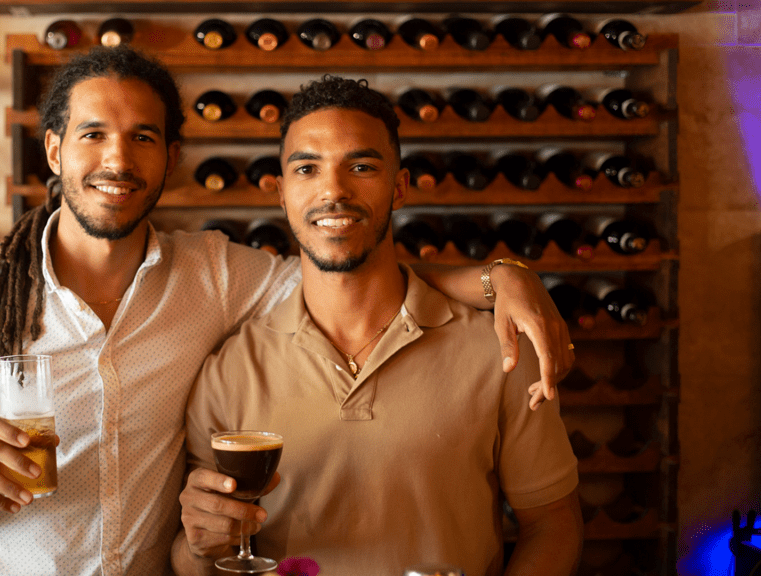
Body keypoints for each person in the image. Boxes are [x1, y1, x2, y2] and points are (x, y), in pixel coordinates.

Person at [0, 47, 573, 575]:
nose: (116, 159)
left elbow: (343, 261)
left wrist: (501, 279)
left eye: (143, 137)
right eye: (92, 135)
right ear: (53, 149)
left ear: (171, 158)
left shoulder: (211, 275)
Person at [173, 76, 583, 576]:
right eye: (307, 168)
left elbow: (553, 524)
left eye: (361, 166)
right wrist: (198, 548)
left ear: (400, 187)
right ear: (281, 193)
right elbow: (195, 558)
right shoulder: (228, 369)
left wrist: (510, 274)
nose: (333, 190)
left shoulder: (499, 350)